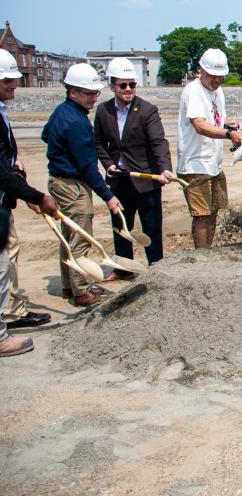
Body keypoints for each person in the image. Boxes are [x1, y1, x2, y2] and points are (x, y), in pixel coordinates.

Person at [42, 63, 123, 305]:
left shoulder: (61, 112)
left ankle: (70, 286)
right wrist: (108, 195)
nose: (92, 98)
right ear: (72, 91)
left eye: (95, 94)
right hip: (73, 186)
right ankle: (81, 292)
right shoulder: (77, 122)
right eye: (87, 94)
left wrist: (61, 151)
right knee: (81, 237)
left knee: (69, 236)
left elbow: (46, 135)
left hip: (58, 181)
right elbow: (89, 167)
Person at [0, 49, 59, 355]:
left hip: (6, 196)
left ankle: (10, 312)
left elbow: (7, 162)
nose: (13, 85)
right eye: (7, 80)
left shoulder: (1, 109)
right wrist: (36, 196)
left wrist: (22, 186)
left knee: (9, 255)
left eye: (14, 79)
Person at [94, 57, 174, 277]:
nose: (128, 89)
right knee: (121, 227)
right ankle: (123, 269)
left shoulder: (147, 110)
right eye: (123, 85)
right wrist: (108, 164)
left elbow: (158, 141)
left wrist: (164, 168)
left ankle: (156, 268)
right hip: (119, 181)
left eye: (132, 84)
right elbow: (98, 142)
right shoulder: (103, 111)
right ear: (112, 86)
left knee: (151, 227)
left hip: (146, 180)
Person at [176, 48, 242, 248]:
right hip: (195, 164)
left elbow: (217, 120)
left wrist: (229, 124)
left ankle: (208, 253)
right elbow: (199, 124)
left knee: (214, 209)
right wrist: (228, 134)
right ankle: (202, 257)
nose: (217, 81)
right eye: (213, 76)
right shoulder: (193, 91)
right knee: (202, 214)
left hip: (213, 163)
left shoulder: (218, 92)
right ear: (201, 70)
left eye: (221, 77)